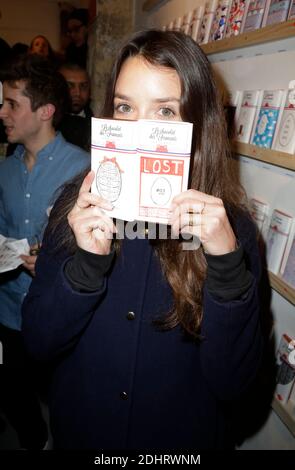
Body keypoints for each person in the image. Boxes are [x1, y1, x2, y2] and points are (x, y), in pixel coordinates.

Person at [22, 30, 263, 450]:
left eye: (165, 112)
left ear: (196, 122)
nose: (139, 129)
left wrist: (226, 267)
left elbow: (233, 384)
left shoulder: (233, 231)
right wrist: (83, 268)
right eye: (125, 107)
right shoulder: (74, 208)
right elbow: (38, 343)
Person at [0, 54, 90, 449]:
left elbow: (104, 250)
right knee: (12, 394)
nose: (2, 112)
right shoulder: (5, 168)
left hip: (56, 313)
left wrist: (57, 262)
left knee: (68, 405)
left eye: (12, 104)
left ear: (45, 111)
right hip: (5, 311)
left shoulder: (84, 170)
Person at [58, 63, 92, 150]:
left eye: (83, 86)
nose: (77, 93)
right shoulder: (47, 124)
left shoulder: (97, 123)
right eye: (70, 86)